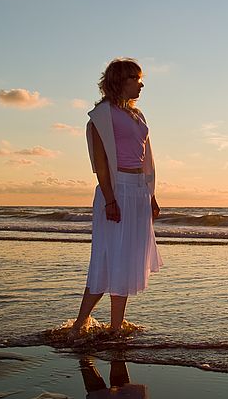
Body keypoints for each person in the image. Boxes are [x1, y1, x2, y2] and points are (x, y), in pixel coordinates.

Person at [69, 58, 162, 336]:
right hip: (116, 190)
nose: (141, 83)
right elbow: (99, 160)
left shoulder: (138, 115)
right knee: (108, 260)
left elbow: (147, 158)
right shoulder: (102, 114)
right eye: (135, 78)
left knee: (126, 261)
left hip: (138, 191)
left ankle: (116, 327)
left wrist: (152, 195)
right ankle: (79, 324)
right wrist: (110, 199)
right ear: (119, 81)